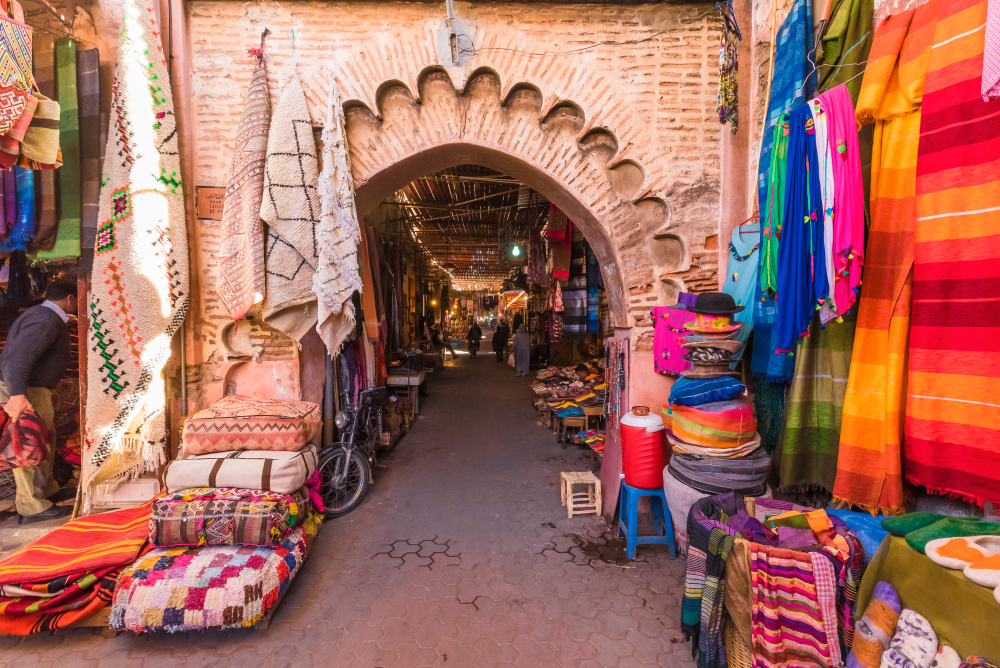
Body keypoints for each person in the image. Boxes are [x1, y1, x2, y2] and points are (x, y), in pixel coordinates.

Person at [0, 280, 78, 524]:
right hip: (24, 389)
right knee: (26, 442)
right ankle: (31, 506)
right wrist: (17, 395)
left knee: (44, 438)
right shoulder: (45, 319)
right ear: (70, 298)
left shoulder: (44, 316)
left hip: (33, 388)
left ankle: (47, 491)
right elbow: (18, 357)